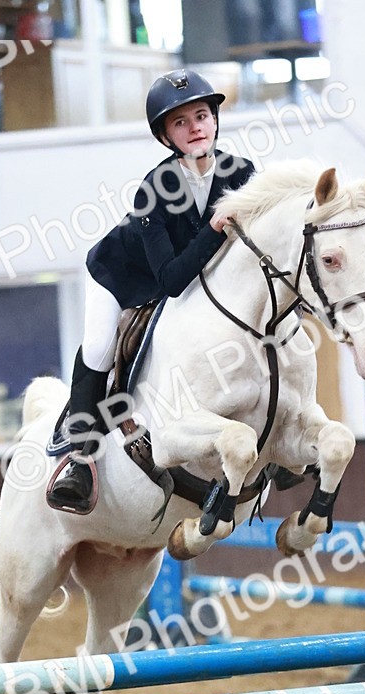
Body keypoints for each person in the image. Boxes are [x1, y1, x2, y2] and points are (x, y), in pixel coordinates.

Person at [46, 68, 255, 514]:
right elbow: (171, 281)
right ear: (166, 136)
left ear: (215, 120)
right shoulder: (153, 191)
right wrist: (216, 228)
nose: (195, 126)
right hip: (121, 279)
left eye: (202, 115)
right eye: (181, 122)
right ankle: (78, 459)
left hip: (197, 282)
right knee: (102, 347)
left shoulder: (243, 173)